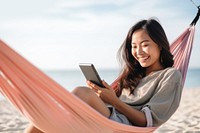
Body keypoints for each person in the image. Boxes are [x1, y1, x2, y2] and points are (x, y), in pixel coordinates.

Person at [24, 18, 183, 132]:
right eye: (134, 46)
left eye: (145, 45)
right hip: (109, 117)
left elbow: (147, 122)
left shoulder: (170, 76)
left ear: (160, 45)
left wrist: (113, 100)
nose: (138, 52)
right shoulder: (134, 74)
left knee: (80, 93)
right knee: (48, 113)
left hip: (125, 127)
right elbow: (116, 103)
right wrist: (105, 95)